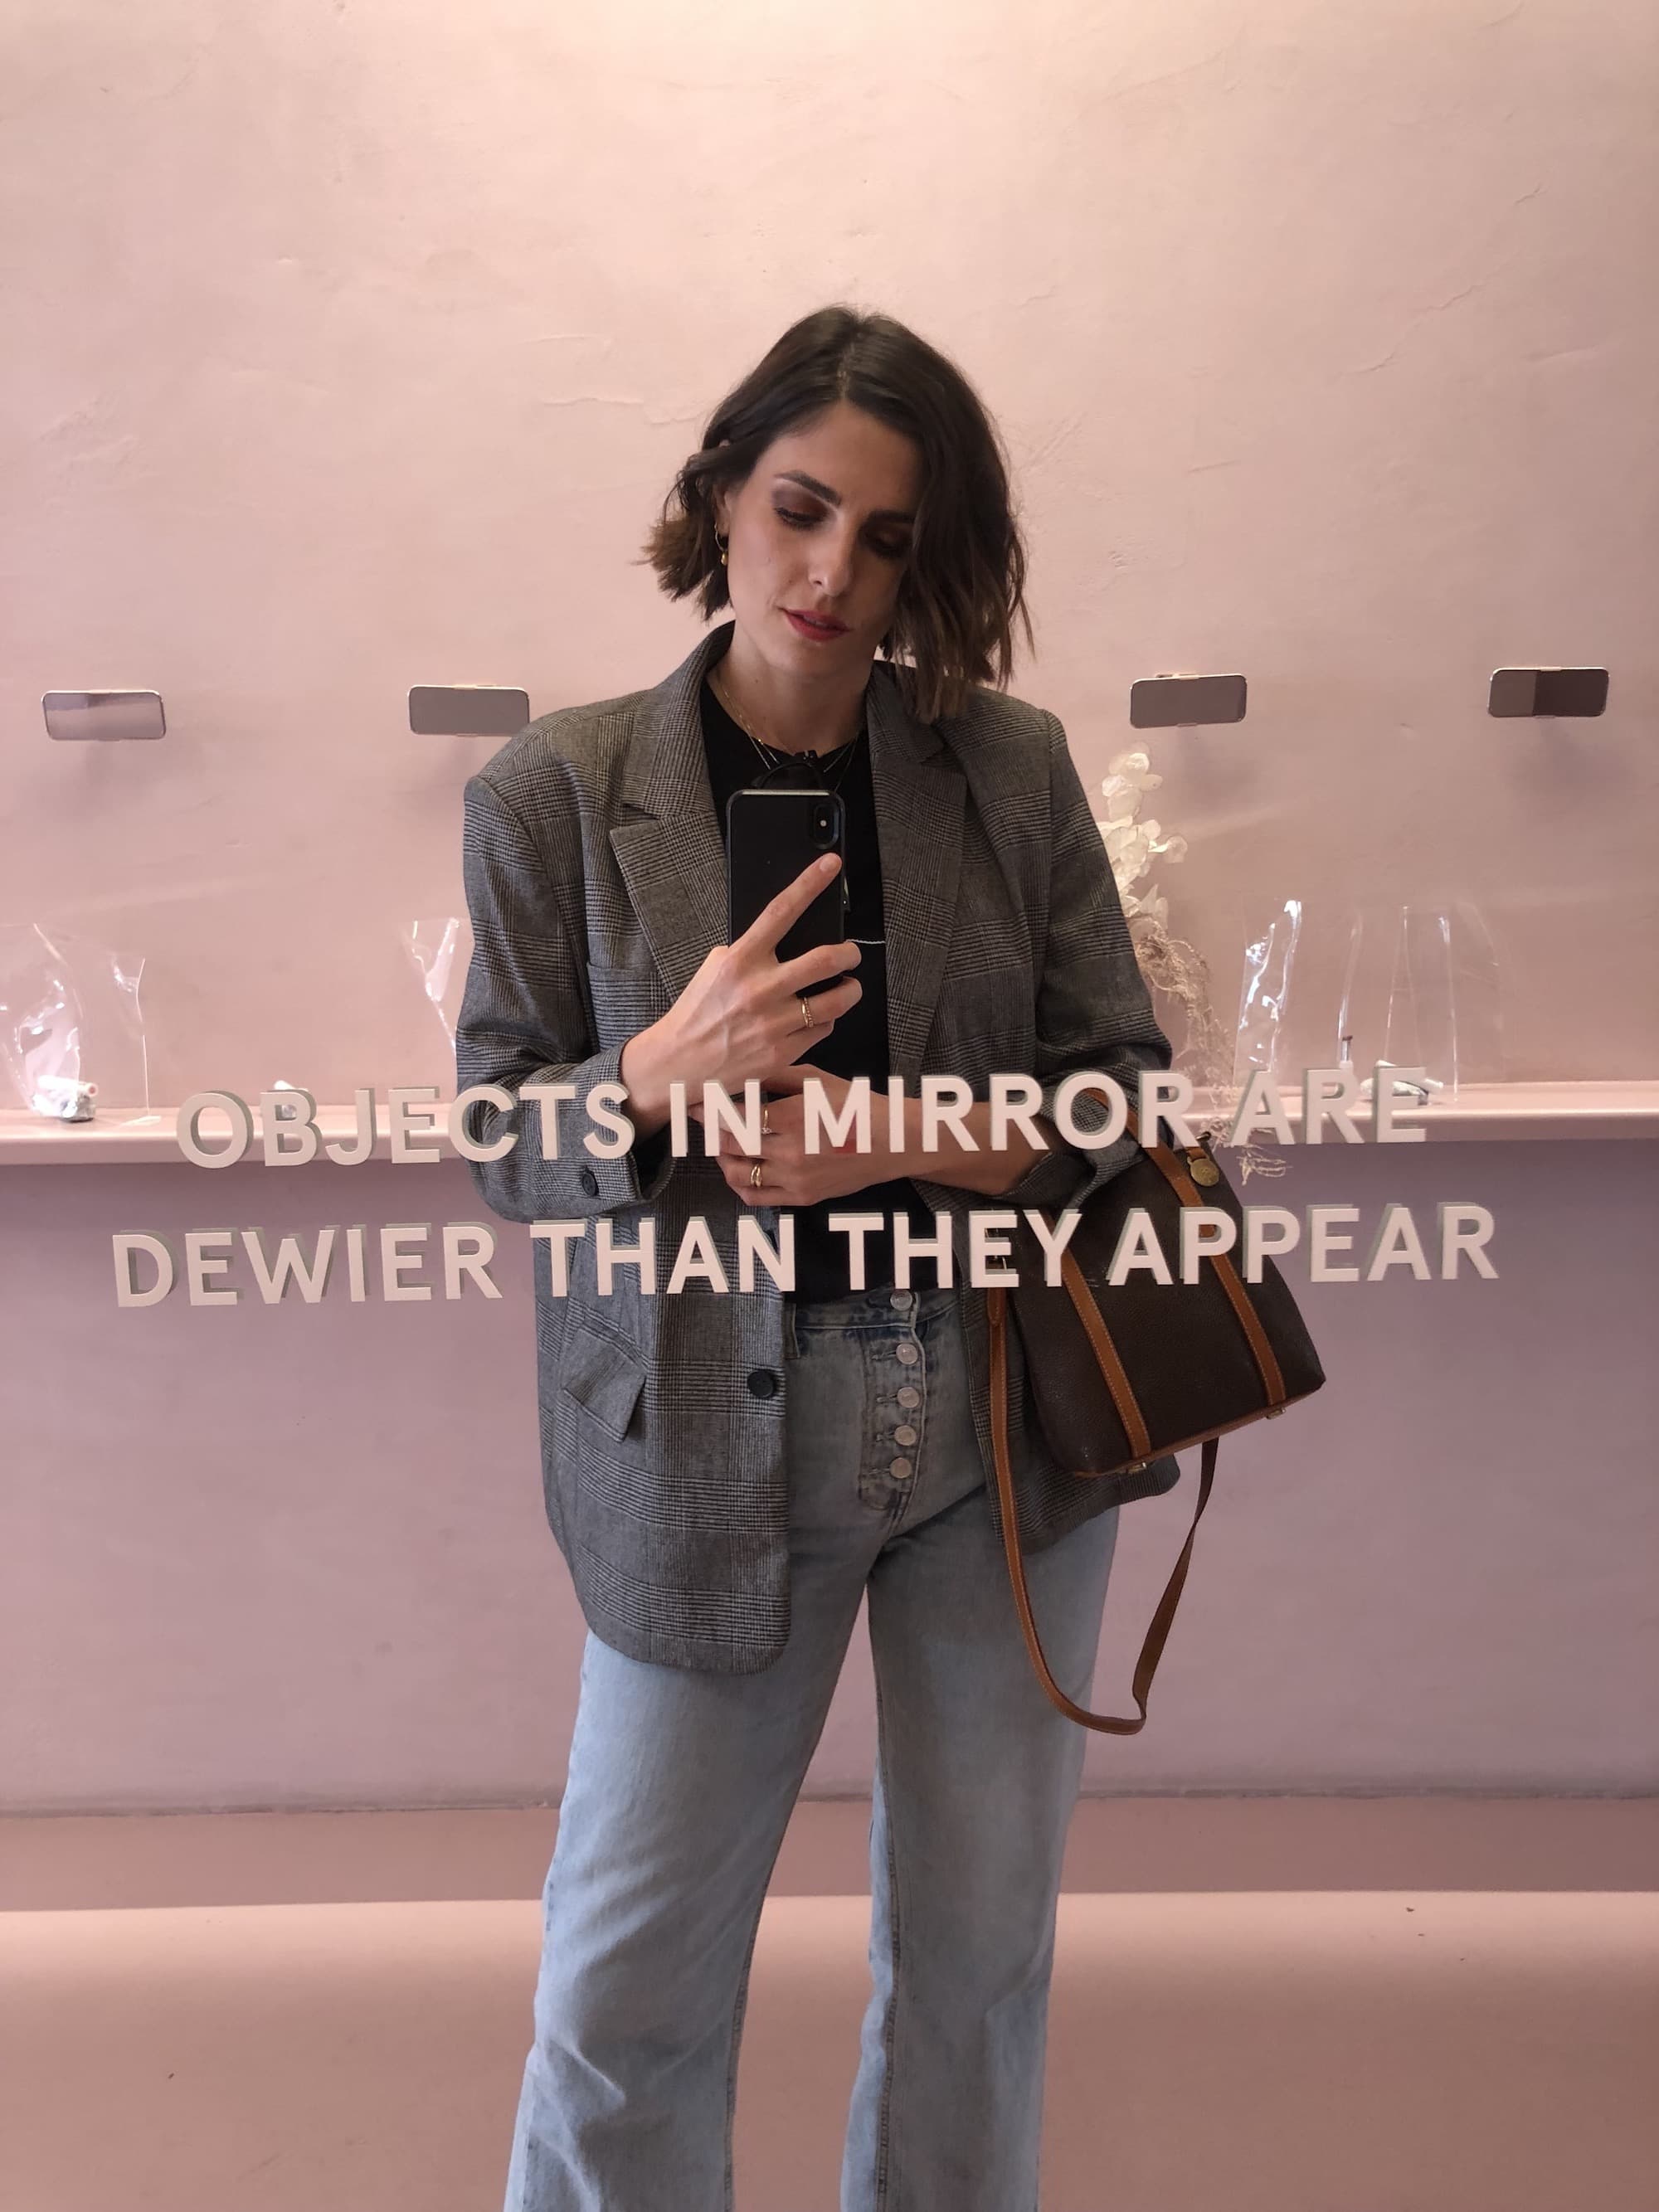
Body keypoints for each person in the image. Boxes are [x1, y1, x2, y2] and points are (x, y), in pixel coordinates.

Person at [455, 304, 1180, 2212]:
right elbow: (498, 1136)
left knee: (976, 1966)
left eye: (886, 537)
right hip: (702, 1443)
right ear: (719, 495)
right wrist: (652, 1070)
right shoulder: (553, 788)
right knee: (622, 1989)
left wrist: (899, 1131)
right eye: (796, 508)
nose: (831, 571)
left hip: (998, 1431)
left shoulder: (1003, 766)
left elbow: (1121, 1095)